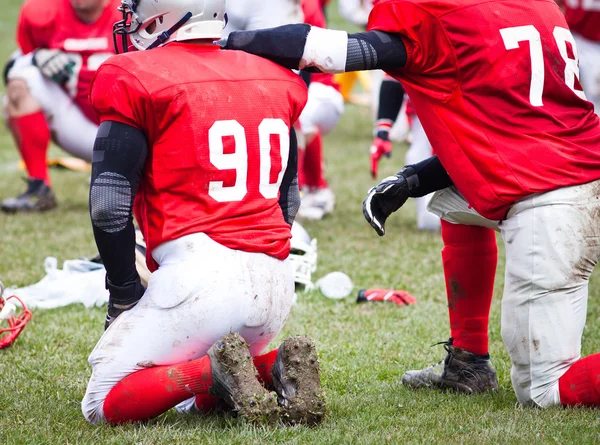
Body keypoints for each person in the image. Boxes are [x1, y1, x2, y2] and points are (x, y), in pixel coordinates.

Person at [220, 0, 600, 408]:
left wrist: (219, 41)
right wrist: (414, 179)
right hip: (568, 171)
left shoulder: (444, 17)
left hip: (553, 200)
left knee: (545, 392)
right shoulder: (533, 7)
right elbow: (508, 131)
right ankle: (467, 363)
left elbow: (323, 49)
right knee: (456, 202)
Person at [81, 0, 325, 426]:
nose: (131, 21)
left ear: (163, 14)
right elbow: (289, 200)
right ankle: (270, 366)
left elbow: (108, 204)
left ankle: (217, 370)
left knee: (103, 402)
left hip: (197, 278)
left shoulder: (138, 75)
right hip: (274, 281)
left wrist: (123, 293)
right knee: (198, 397)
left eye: (138, 11)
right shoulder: (272, 75)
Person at [2, 0, 121, 213]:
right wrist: (35, 57)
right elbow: (12, 69)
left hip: (133, 130)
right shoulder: (41, 12)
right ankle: (39, 188)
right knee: (20, 83)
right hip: (80, 123)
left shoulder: (133, 12)